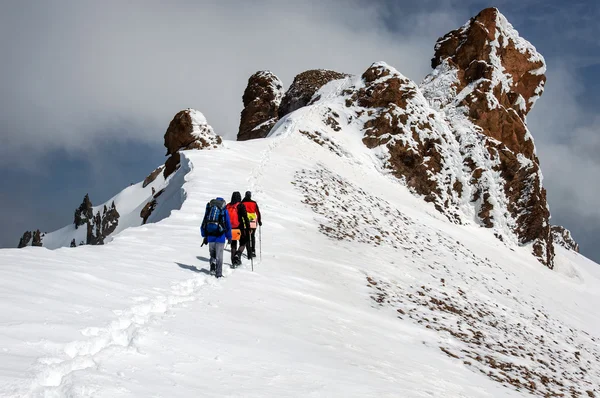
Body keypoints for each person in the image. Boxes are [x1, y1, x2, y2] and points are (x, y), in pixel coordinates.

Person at [200, 197, 232, 278]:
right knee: (219, 256)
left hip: (210, 236)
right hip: (220, 237)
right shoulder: (224, 210)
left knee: (212, 253)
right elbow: (228, 224)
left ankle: (212, 263)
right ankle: (218, 274)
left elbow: (204, 221)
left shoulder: (210, 208)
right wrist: (229, 237)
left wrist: (204, 235)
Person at [226, 191, 250, 267]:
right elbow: (245, 218)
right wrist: (248, 228)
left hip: (230, 228)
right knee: (243, 242)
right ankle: (238, 254)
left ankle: (234, 262)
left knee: (233, 245)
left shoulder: (228, 206)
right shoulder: (241, 206)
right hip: (239, 228)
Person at [241, 191, 262, 258]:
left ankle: (249, 252)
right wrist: (259, 220)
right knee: (252, 236)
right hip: (253, 221)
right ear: (250, 196)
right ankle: (253, 251)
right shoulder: (254, 203)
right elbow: (258, 212)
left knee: (247, 236)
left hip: (245, 221)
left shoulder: (243, 203)